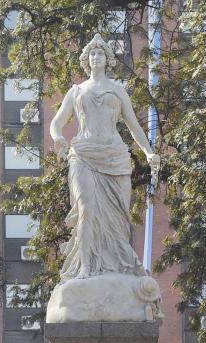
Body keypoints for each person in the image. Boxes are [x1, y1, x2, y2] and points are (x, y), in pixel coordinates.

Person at [49, 34, 161, 281]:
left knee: (118, 217)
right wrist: (58, 138)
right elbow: (56, 123)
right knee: (86, 207)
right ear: (86, 60)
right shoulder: (76, 91)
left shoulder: (118, 90)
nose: (95, 57)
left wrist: (149, 151)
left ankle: (115, 266)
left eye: (100, 53)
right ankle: (86, 267)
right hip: (83, 155)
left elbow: (133, 126)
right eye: (92, 53)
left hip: (115, 157)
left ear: (108, 59)